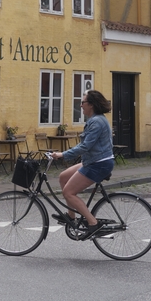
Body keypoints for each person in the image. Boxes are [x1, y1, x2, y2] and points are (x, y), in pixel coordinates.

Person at [50, 90, 114, 240]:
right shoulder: (94, 120)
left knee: (68, 193)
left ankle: (93, 223)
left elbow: (85, 146)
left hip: (99, 164)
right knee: (63, 177)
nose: (80, 105)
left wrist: (63, 155)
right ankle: (71, 217)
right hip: (93, 161)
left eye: (83, 102)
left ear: (91, 105)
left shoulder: (97, 122)